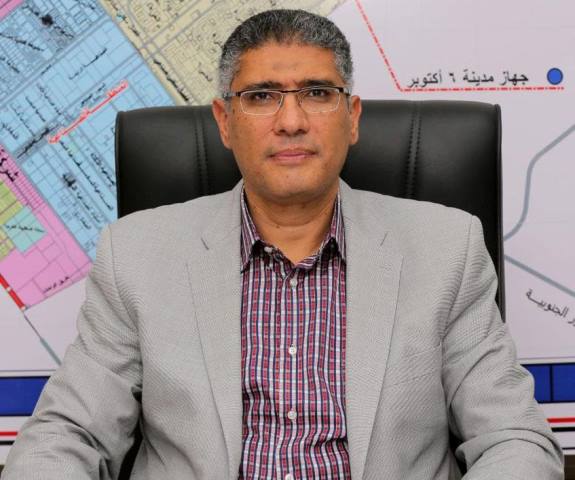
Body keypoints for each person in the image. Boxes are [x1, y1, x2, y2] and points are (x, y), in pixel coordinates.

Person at [2, 9, 564, 480]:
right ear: (225, 121)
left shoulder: (447, 249)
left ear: (352, 117)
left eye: (318, 93)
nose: (291, 120)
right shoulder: (136, 256)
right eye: (261, 96)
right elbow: (67, 436)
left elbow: (515, 440)